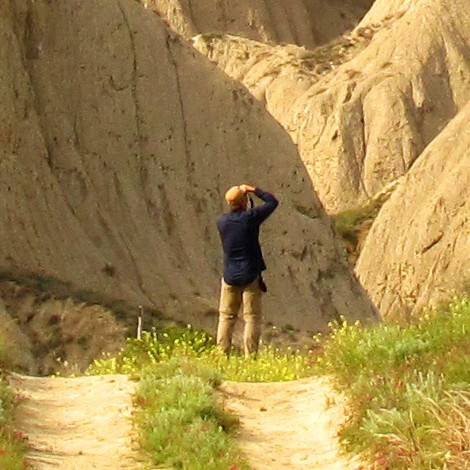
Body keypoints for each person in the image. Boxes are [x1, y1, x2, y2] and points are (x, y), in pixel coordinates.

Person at [216, 183, 278, 356]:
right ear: (244, 202)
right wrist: (253, 190)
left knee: (226, 317)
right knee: (251, 318)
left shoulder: (221, 222)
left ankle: (221, 355)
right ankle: (250, 356)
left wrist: (242, 198)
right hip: (250, 275)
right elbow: (272, 202)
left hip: (229, 276)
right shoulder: (250, 218)